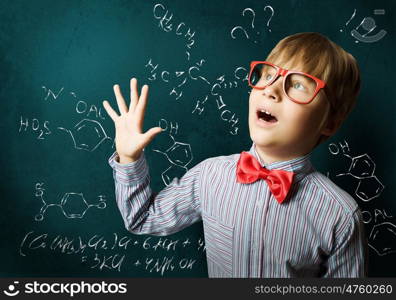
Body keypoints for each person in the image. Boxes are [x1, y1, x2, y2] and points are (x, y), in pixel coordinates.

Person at [102, 32, 368, 277]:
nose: (271, 90)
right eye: (267, 75)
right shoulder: (209, 176)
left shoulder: (339, 215)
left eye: (298, 85)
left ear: (330, 123)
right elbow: (142, 218)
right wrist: (129, 158)